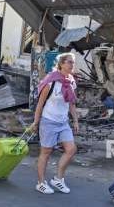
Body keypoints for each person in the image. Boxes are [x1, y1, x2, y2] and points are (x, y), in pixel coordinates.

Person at [30, 53, 79, 195]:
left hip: (63, 122)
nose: (72, 65)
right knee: (46, 152)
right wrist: (36, 122)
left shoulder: (70, 81)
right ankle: (40, 183)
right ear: (61, 64)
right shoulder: (51, 82)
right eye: (69, 62)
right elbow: (40, 104)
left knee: (71, 149)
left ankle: (58, 179)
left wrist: (75, 120)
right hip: (48, 121)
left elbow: (71, 103)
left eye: (73, 63)